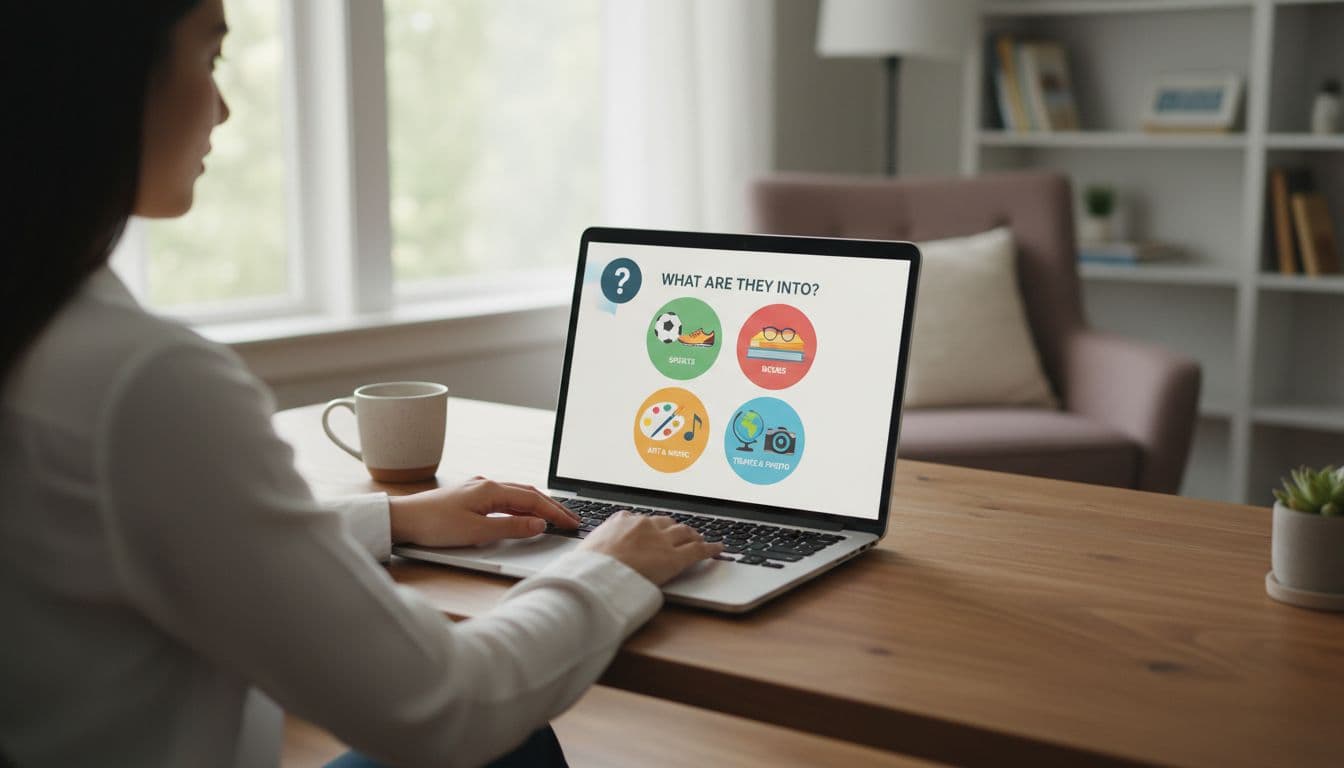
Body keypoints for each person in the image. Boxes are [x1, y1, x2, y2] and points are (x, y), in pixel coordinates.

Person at [0, 2, 721, 766]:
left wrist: (392, 519)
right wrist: (609, 568)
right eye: (209, 60)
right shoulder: (145, 383)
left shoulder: (43, 334)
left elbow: (167, 539)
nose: (223, 108)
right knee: (514, 747)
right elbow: (450, 708)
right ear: (107, 79)